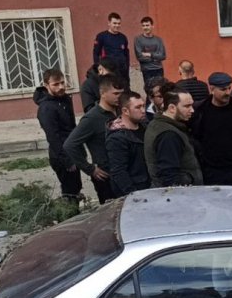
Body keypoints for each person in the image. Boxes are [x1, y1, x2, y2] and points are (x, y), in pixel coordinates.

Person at [64, 74, 124, 204]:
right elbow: (70, 145)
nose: (119, 97)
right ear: (102, 93)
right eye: (115, 93)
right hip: (106, 176)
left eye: (121, 93)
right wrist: (89, 169)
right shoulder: (91, 118)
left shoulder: (121, 111)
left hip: (124, 171)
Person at [34, 68, 82, 201]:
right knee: (70, 193)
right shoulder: (46, 108)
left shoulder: (64, 99)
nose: (61, 87)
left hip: (72, 150)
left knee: (76, 188)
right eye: (56, 84)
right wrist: (67, 161)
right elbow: (53, 137)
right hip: (61, 156)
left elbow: (71, 128)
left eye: (62, 83)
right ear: (46, 85)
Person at [144, 90, 203, 187]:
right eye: (187, 106)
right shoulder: (168, 135)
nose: (192, 110)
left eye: (191, 105)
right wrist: (190, 179)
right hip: (179, 196)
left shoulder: (160, 125)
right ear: (172, 108)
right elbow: (169, 176)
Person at [106, 91, 150, 196]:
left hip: (150, 187)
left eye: (143, 106)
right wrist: (134, 195)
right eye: (138, 107)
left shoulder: (146, 128)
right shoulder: (116, 138)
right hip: (137, 192)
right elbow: (119, 172)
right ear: (125, 111)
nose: (143, 110)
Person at [92, 12, 129, 88]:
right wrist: (99, 69)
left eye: (119, 23)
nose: (117, 25)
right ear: (109, 23)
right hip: (109, 73)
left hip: (122, 73)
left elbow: (126, 55)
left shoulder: (123, 37)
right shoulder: (101, 37)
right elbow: (96, 54)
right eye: (114, 23)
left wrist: (127, 68)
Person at [134, 16, 166, 86]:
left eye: (147, 25)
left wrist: (150, 55)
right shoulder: (138, 40)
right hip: (147, 70)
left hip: (159, 69)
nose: (145, 27)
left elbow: (163, 56)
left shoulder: (158, 40)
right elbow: (140, 57)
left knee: (160, 89)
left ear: (152, 26)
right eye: (143, 26)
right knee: (149, 90)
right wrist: (156, 58)